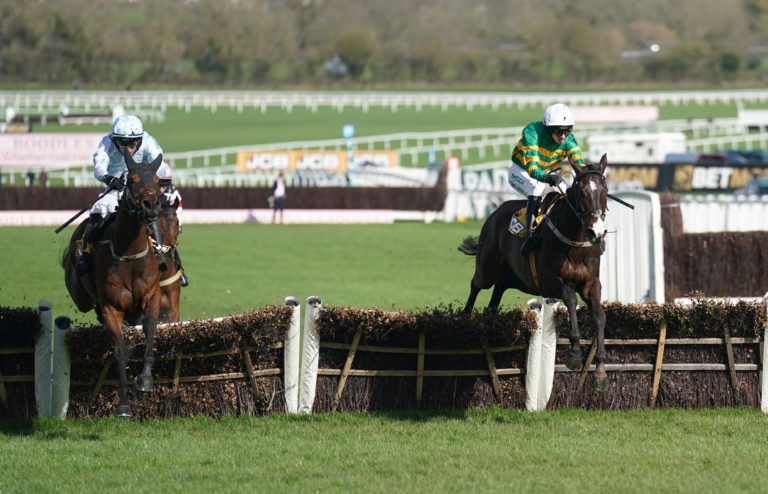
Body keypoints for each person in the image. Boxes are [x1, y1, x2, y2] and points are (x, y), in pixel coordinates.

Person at [77, 114, 170, 275]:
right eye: (122, 142)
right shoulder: (107, 142)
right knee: (99, 208)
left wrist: (142, 176)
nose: (127, 147)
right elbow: (99, 164)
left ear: (140, 139)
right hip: (116, 188)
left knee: (150, 210)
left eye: (132, 142)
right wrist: (108, 178)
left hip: (138, 188)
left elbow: (160, 165)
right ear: (115, 139)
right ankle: (86, 252)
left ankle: (158, 248)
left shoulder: (148, 142)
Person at [507, 103, 586, 256]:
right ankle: (529, 237)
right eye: (558, 131)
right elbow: (532, 168)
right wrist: (546, 177)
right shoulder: (533, 132)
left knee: (566, 190)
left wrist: (588, 177)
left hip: (545, 173)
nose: (563, 136)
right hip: (521, 171)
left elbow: (579, 165)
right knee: (535, 189)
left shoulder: (569, 141)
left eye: (568, 130)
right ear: (548, 128)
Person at [157, 163, 189, 287]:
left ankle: (180, 272)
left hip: (165, 222)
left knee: (172, 247)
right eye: (159, 185)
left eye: (164, 185)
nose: (161, 189)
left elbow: (178, 211)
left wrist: (178, 226)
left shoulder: (172, 193)